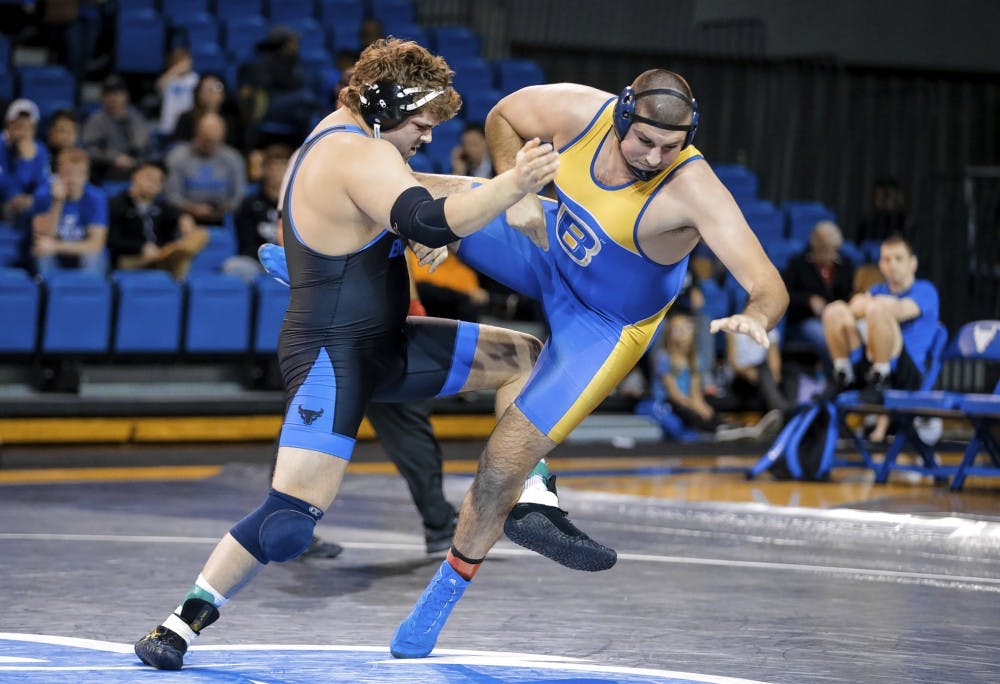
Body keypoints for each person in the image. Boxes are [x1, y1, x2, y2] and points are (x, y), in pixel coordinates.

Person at [133, 37, 565, 671]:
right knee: (288, 524)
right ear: (388, 109)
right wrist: (511, 185)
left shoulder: (354, 138)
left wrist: (431, 219)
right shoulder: (351, 153)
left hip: (385, 342)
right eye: (420, 126)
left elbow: (407, 196)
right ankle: (182, 621)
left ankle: (531, 496)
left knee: (521, 356)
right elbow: (424, 216)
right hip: (332, 359)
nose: (425, 138)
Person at [387, 68, 788, 658]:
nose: (655, 157)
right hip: (547, 250)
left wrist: (759, 316)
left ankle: (441, 597)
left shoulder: (693, 188)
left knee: (501, 466)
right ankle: (320, 271)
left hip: (602, 325)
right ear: (623, 117)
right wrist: (515, 187)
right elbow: (503, 117)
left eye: (670, 148)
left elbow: (768, 284)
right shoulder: (581, 111)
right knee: (414, 191)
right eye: (644, 142)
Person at [821, 233, 939, 404]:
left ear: (913, 263)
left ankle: (882, 377)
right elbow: (851, 309)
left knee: (878, 310)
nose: (892, 265)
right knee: (835, 310)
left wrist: (869, 304)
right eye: (886, 259)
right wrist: (870, 304)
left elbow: (899, 310)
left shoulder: (925, 290)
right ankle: (842, 374)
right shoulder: (878, 290)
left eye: (898, 259)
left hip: (906, 372)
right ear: (880, 265)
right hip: (870, 362)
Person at [106, 161, 208, 279]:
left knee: (200, 234)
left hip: (160, 255)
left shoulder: (162, 207)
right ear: (135, 176)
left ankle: (177, 270)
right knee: (179, 259)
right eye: (149, 177)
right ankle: (179, 284)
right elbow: (112, 240)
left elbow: (178, 217)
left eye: (159, 181)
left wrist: (185, 219)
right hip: (130, 258)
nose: (154, 183)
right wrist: (141, 247)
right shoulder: (116, 205)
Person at [31, 147, 108, 277]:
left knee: (93, 258)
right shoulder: (43, 194)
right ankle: (49, 294)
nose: (72, 180)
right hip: (55, 253)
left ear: (86, 176)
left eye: (78, 174)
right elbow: (43, 239)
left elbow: (96, 244)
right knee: (43, 254)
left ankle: (89, 296)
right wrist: (57, 202)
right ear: (58, 174)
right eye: (67, 174)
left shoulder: (97, 197)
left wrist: (56, 246)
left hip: (79, 252)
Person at [782, 220, 855, 356]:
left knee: (854, 332)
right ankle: (836, 374)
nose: (832, 254)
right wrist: (808, 300)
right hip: (805, 320)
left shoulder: (845, 264)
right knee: (823, 336)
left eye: (834, 249)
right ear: (815, 247)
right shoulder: (798, 264)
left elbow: (849, 295)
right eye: (826, 249)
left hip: (837, 317)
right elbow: (786, 295)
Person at [163, 112, 246, 227]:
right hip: (184, 216)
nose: (210, 145)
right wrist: (192, 208)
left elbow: (238, 196)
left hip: (224, 216)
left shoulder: (233, 158)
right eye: (206, 140)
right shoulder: (178, 156)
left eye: (214, 141)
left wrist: (223, 209)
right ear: (197, 133)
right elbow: (171, 195)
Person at [81, 74, 153, 184]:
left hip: (135, 168)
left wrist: (133, 161)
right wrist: (114, 158)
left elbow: (144, 147)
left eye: (117, 94)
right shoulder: (96, 120)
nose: (112, 98)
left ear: (126, 96)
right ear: (102, 98)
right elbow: (89, 150)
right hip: (105, 169)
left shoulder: (137, 119)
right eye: (108, 94)